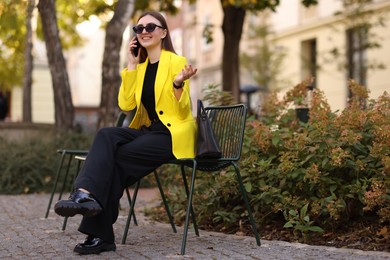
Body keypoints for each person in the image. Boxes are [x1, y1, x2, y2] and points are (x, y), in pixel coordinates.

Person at [54, 11, 198, 255]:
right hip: (148, 131)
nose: (144, 31)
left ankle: (99, 234)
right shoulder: (140, 68)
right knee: (106, 135)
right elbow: (126, 105)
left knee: (116, 160)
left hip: (171, 135)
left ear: (163, 32)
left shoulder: (176, 61)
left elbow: (183, 110)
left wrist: (178, 84)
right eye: (138, 28)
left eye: (150, 26)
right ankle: (84, 194)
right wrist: (131, 66)